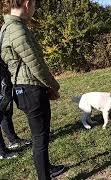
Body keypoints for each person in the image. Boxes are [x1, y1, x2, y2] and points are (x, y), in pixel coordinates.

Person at [1, 0, 65, 179]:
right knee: (40, 137)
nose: (35, 9)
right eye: (35, 5)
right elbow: (36, 64)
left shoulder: (6, 28)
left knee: (40, 135)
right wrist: (53, 85)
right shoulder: (18, 30)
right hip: (31, 89)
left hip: (21, 88)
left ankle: (47, 168)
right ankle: (44, 176)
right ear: (27, 4)